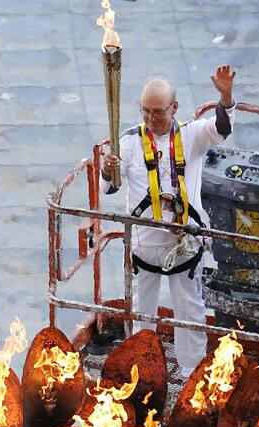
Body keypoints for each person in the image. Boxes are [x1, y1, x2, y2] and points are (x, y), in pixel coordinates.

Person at [100, 65, 236, 375]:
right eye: (145, 111)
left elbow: (222, 128)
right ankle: (140, 372)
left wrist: (226, 97)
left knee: (189, 311)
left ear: (174, 108)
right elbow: (110, 186)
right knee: (140, 312)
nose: (150, 118)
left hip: (183, 243)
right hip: (144, 245)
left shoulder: (192, 135)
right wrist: (108, 169)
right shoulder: (129, 141)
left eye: (158, 112)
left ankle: (191, 375)